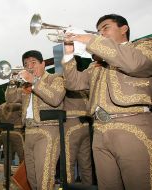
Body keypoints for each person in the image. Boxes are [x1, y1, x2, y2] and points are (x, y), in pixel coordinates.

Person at [62, 14, 152, 189]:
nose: (100, 33)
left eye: (105, 28)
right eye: (98, 31)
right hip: (99, 131)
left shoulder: (143, 46)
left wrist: (90, 39)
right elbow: (74, 83)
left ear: (124, 29)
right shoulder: (96, 65)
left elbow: (134, 64)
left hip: (132, 125)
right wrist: (68, 53)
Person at [19, 50, 66, 190]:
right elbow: (10, 99)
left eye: (33, 62)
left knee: (44, 177)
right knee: (31, 177)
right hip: (28, 132)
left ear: (43, 64)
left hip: (47, 131)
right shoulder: (25, 85)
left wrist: (34, 82)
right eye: (26, 64)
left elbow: (56, 99)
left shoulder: (56, 78)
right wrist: (12, 82)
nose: (30, 66)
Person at [63, 90, 92, 185]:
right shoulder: (84, 88)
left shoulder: (66, 84)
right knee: (86, 164)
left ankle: (69, 188)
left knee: (68, 164)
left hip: (71, 125)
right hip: (86, 125)